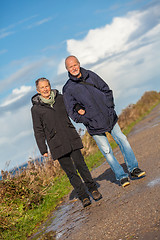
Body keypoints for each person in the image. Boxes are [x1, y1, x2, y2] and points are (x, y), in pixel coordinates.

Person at [63, 56, 146, 188]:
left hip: (109, 117)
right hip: (93, 124)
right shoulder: (68, 89)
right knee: (107, 151)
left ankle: (134, 169)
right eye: (70, 66)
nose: (73, 68)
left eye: (75, 65)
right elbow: (71, 112)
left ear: (79, 64)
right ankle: (121, 176)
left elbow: (106, 90)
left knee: (123, 140)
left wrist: (110, 108)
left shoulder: (91, 75)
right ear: (66, 69)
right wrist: (86, 120)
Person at [31, 77, 102, 208]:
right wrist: (43, 149)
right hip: (56, 143)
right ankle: (84, 196)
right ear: (38, 90)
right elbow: (38, 129)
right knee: (71, 172)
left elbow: (73, 104)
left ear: (50, 86)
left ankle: (93, 189)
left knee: (81, 165)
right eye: (42, 88)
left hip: (70, 137)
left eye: (47, 86)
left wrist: (79, 108)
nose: (45, 89)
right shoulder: (36, 109)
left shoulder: (61, 98)